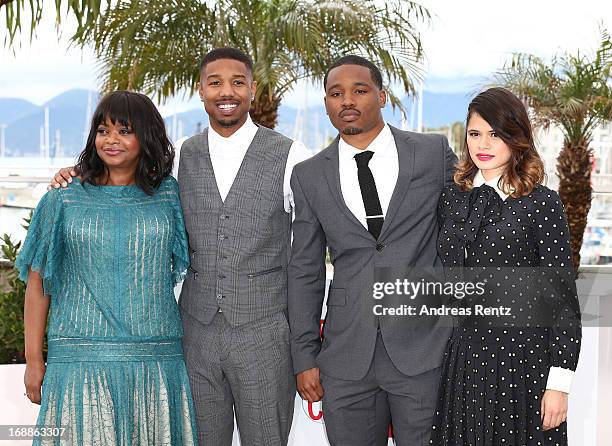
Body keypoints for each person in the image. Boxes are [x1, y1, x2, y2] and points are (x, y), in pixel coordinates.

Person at [50, 47, 311, 446]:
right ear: (200, 90)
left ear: (252, 89)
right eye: (215, 82)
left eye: (238, 82)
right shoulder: (179, 157)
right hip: (194, 333)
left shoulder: (291, 155)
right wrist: (74, 174)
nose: (227, 92)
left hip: (264, 332)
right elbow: (121, 179)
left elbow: (310, 250)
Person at [288, 55, 458, 446]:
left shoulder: (431, 153)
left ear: (381, 96)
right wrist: (305, 357)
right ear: (326, 103)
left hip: (425, 349)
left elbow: (462, 234)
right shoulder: (310, 174)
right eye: (336, 93)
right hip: (346, 356)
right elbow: (304, 271)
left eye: (359, 90)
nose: (347, 100)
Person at [19, 90, 197, 445]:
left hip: (157, 358)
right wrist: (33, 360)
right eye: (103, 130)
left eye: (124, 130)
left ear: (146, 136)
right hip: (78, 361)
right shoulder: (63, 197)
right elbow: (38, 283)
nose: (111, 140)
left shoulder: (169, 195)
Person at [430, 87, 582, 445]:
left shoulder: (542, 204)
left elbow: (561, 299)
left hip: (523, 361)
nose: (483, 144)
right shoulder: (453, 197)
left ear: (517, 137)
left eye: (495, 134)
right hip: (464, 359)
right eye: (475, 133)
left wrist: (559, 385)